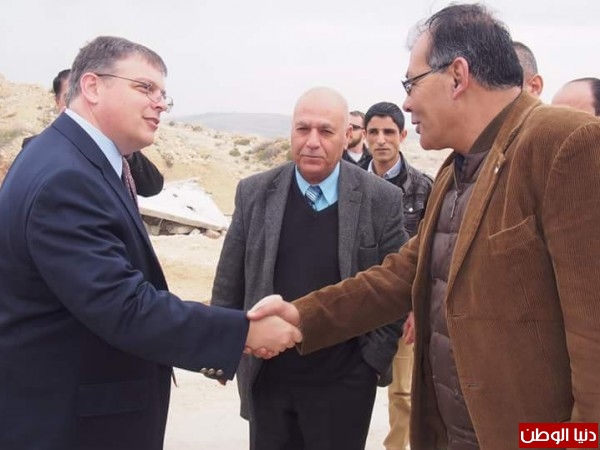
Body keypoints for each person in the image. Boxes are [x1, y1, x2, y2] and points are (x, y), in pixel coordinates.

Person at [249, 4, 600, 450]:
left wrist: (573, 443)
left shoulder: (565, 143)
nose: (407, 103)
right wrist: (301, 316)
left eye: (411, 83)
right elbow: (401, 276)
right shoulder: (457, 169)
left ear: (457, 76)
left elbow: (594, 336)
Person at [0, 35, 300, 450]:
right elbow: (122, 305)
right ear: (92, 87)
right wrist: (242, 332)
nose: (160, 104)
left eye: (163, 95)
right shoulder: (66, 177)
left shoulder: (76, 159)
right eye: (145, 88)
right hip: (69, 424)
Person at [210, 87, 408, 450]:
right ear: (291, 132)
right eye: (303, 129)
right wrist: (220, 348)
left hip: (346, 382)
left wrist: (371, 362)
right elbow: (230, 278)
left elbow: (396, 285)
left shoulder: (381, 199)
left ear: (347, 136)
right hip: (269, 377)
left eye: (326, 131)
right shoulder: (254, 193)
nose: (312, 142)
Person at [363, 101, 433, 450]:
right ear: (363, 136)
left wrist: (417, 308)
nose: (381, 140)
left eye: (389, 132)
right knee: (348, 383)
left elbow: (432, 255)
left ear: (402, 135)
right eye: (373, 132)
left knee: (403, 392)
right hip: (357, 303)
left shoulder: (424, 187)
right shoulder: (348, 182)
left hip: (402, 308)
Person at [23, 68, 165, 197]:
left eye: (82, 96)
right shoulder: (37, 149)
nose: (77, 103)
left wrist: (126, 153)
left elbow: (153, 186)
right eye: (69, 97)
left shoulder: (112, 147)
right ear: (57, 101)